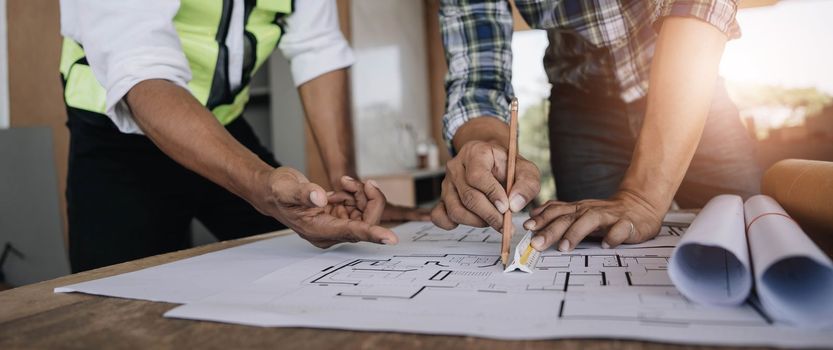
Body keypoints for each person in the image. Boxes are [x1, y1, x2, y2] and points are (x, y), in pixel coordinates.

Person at [59, 0, 424, 273]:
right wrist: (261, 185)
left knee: (313, 255)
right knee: (120, 296)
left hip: (223, 125)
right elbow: (141, 71)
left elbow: (317, 46)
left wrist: (345, 186)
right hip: (119, 133)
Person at [432, 0, 761, 252]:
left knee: (752, 234)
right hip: (580, 103)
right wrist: (486, 141)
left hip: (690, 87)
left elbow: (699, 7)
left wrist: (643, 197)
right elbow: (477, 75)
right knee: (588, 246)